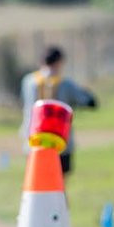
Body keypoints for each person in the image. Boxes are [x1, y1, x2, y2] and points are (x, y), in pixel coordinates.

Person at [19, 46, 96, 177]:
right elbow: (89, 102)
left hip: (33, 141)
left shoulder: (28, 81)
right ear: (59, 62)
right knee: (58, 185)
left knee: (37, 183)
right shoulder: (65, 84)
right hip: (60, 143)